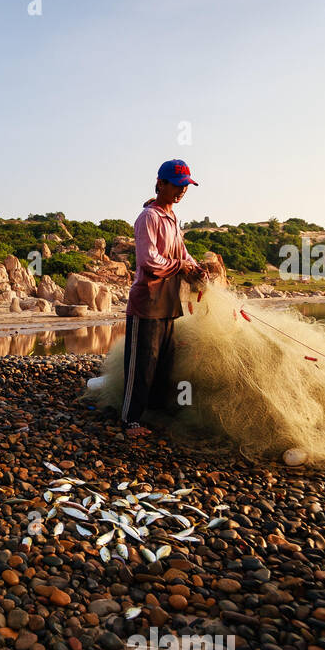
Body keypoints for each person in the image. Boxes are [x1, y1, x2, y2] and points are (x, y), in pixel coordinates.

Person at [120, 159, 207, 440]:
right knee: (142, 366)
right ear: (161, 184)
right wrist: (181, 267)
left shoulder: (172, 219)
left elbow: (182, 254)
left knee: (163, 363)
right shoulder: (149, 218)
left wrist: (194, 268)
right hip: (147, 303)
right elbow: (149, 261)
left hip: (168, 303)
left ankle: (154, 414)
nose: (182, 191)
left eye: (186, 186)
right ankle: (130, 420)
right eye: (178, 185)